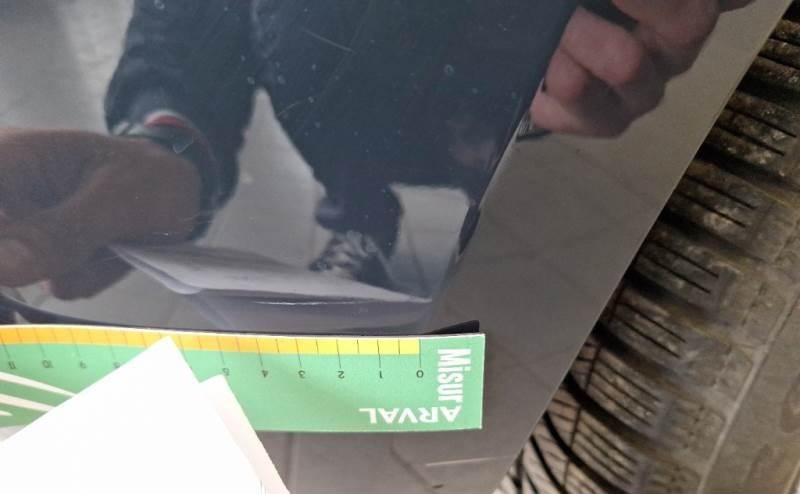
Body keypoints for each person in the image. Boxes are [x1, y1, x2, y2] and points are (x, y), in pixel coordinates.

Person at [0, 0, 752, 299]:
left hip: (555, 132)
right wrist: (168, 142)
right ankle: (366, 220)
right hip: (351, 122)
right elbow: (187, 19)